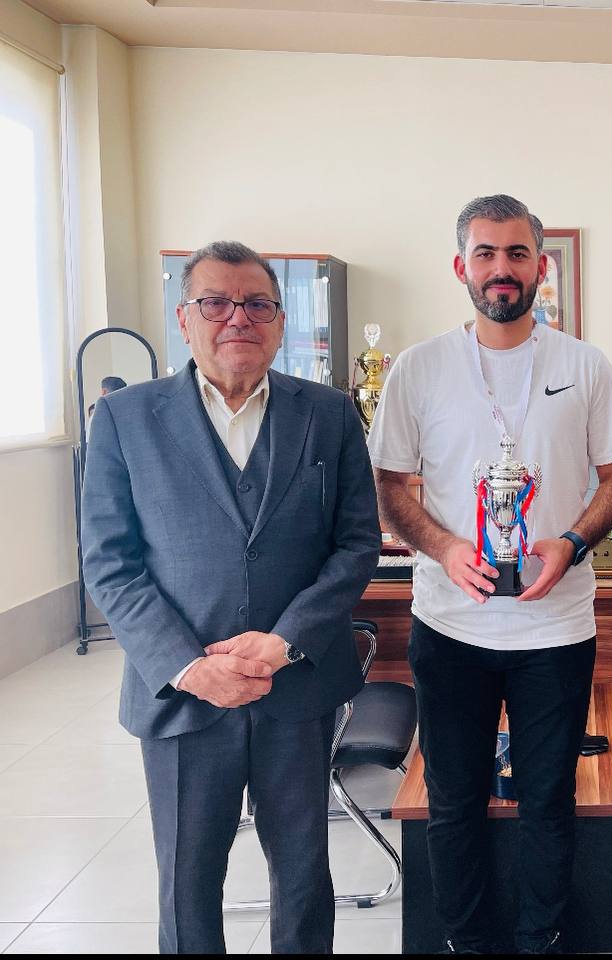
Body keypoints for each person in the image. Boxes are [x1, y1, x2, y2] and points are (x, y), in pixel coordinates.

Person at [80, 240, 380, 954]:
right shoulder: (125, 419)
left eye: (257, 304)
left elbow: (355, 544)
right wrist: (190, 667)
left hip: (297, 685)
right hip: (182, 694)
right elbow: (109, 563)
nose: (237, 317)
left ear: (280, 321)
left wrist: (284, 642)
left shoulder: (330, 414)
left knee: (304, 875)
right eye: (215, 302)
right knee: (187, 881)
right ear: (183, 318)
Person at [368, 194, 612, 954]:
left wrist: (573, 541)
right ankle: (467, 940)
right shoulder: (420, 368)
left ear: (540, 267)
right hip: (449, 625)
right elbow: (390, 486)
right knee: (454, 800)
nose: (501, 268)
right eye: (485, 253)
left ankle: (538, 939)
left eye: (517, 253)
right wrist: (443, 547)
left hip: (555, 628)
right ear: (461, 266)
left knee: (548, 800)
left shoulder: (584, 365)